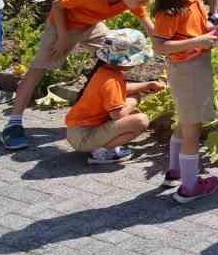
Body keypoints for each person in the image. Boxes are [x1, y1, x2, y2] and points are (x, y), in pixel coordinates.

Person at [0, 0, 154, 150]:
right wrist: (63, 37)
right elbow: (57, 5)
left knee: (117, 54)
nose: (143, 4)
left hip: (91, 25)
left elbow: (146, 20)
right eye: (141, 1)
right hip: (62, 27)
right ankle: (13, 124)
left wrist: (160, 40)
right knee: (37, 71)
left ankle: (96, 111)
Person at [150, 0, 218, 204]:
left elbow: (199, 25)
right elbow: (160, 46)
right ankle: (190, 187)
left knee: (185, 121)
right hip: (187, 70)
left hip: (196, 65)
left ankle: (175, 172)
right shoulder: (169, 8)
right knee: (192, 128)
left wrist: (210, 30)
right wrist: (200, 40)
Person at [63, 28, 163, 166]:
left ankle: (102, 145)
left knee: (134, 100)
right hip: (84, 136)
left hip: (79, 131)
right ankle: (102, 152)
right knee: (140, 120)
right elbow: (118, 115)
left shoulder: (106, 71)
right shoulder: (111, 80)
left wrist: (148, 85)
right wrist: (134, 101)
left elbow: (122, 89)